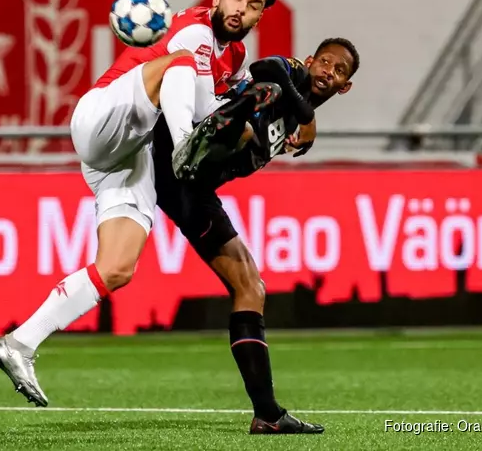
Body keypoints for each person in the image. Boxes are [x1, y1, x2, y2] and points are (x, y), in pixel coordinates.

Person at [0, 0, 297, 409]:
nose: (241, 8)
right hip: (102, 116)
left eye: (253, 5)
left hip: (128, 151)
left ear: (259, 17)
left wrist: (270, 120)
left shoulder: (234, 55)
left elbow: (225, 108)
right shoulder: (192, 31)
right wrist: (252, 115)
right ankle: (184, 146)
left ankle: (19, 344)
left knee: (117, 268)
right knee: (184, 71)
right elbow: (213, 112)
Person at [153, 37, 360, 434]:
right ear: (310, 60)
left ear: (344, 86)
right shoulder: (292, 76)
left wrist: (304, 121)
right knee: (257, 108)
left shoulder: (297, 123)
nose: (328, 72)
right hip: (169, 158)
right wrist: (304, 114)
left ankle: (267, 415)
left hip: (191, 189)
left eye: (339, 72)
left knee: (251, 286)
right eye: (325, 63)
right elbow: (268, 67)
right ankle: (212, 133)